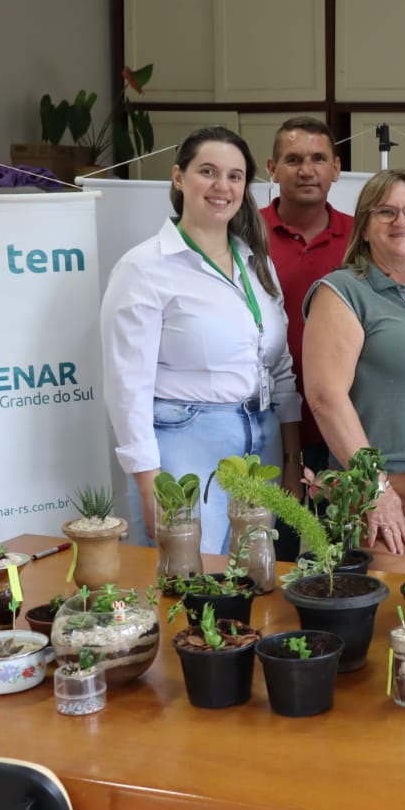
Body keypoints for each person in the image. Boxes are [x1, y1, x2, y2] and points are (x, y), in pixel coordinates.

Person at [101, 126, 302, 554]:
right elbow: (127, 386)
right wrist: (149, 485)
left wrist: (290, 458)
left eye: (234, 176)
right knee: (188, 575)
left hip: (261, 441)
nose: (221, 186)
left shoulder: (256, 262)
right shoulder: (144, 268)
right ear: (179, 177)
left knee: (253, 575)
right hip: (185, 445)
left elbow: (280, 368)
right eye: (207, 171)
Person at [302, 169, 405, 576]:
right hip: (379, 489)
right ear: (364, 227)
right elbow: (325, 398)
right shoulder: (341, 291)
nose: (401, 221)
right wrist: (374, 488)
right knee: (391, 610)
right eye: (386, 211)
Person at [260, 117, 351, 477]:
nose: (307, 171)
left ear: (336, 169)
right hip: (266, 424)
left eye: (318, 159)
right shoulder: (245, 235)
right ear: (272, 168)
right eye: (293, 159)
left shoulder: (362, 238)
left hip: (345, 422)